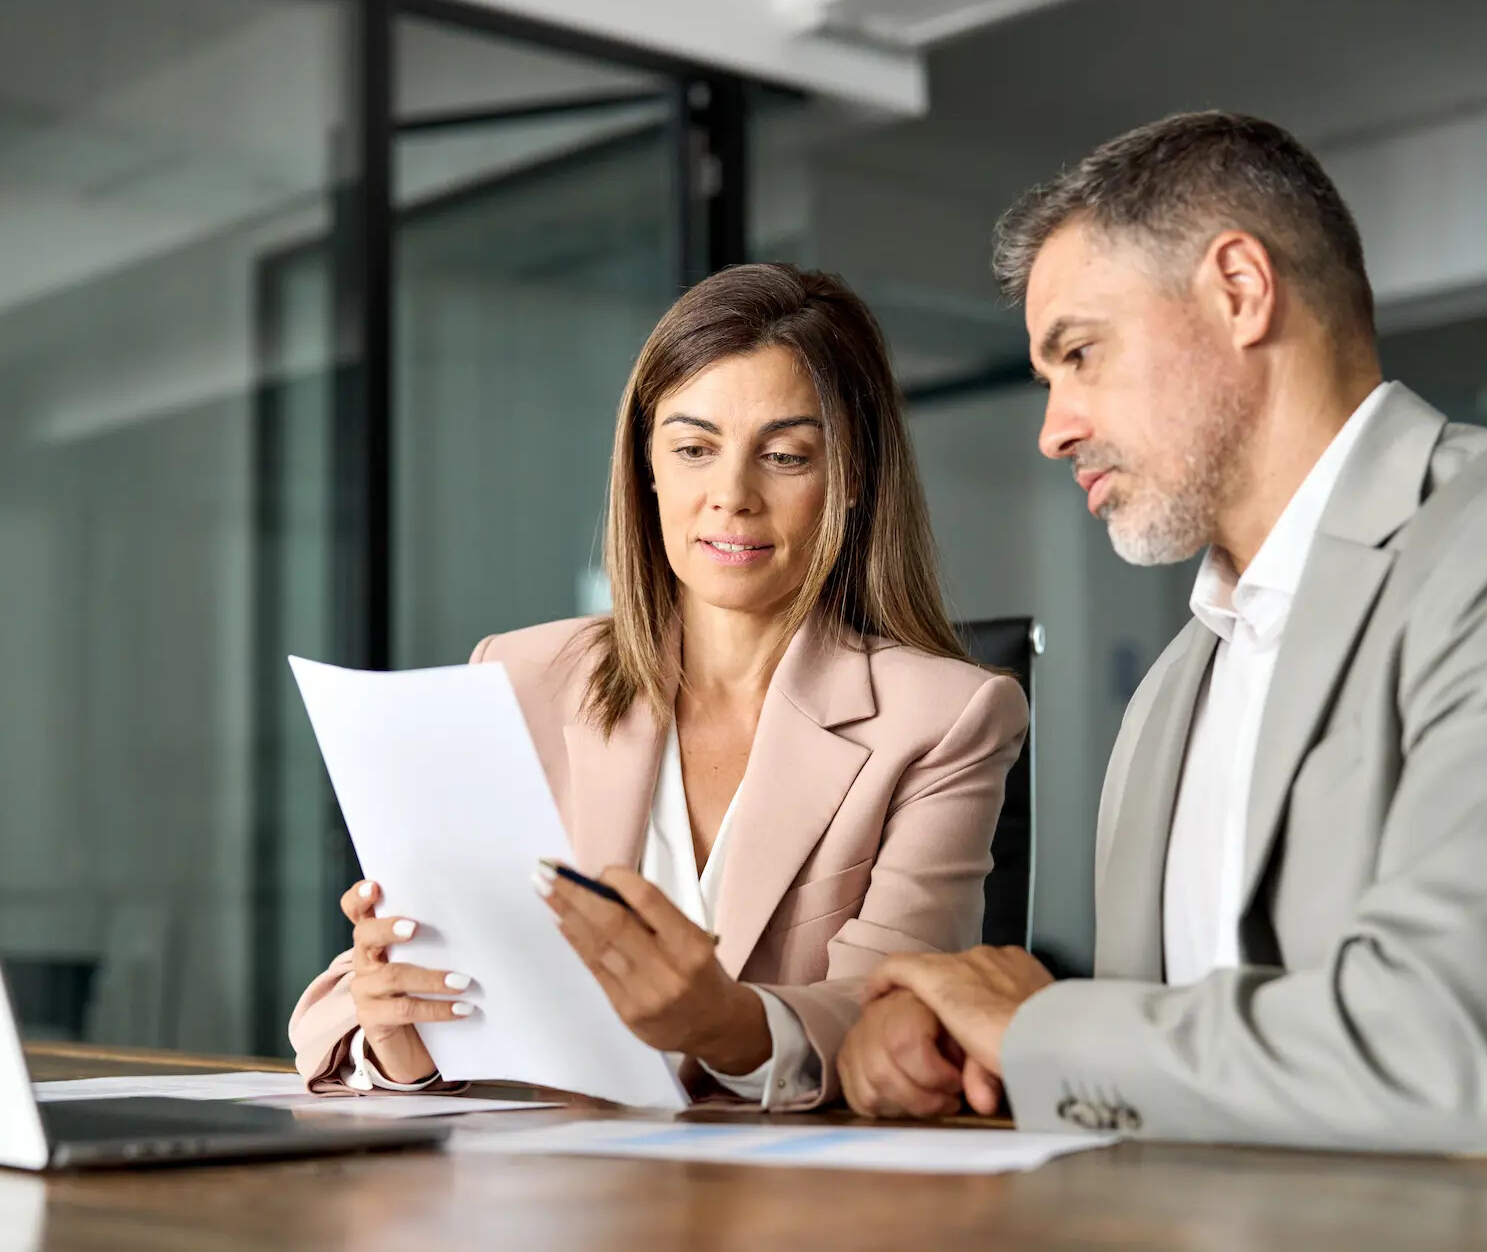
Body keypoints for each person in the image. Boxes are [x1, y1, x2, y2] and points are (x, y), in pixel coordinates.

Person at [837, 111, 1487, 1152]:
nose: (1053, 428)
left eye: (1081, 353)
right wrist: (973, 1056)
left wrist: (1039, 1025)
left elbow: (1457, 1050)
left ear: (1240, 290)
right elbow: (1159, 1077)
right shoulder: (1169, 694)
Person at [290, 263, 1028, 1111]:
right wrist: (398, 1033)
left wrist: (727, 1025)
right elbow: (339, 1013)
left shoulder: (945, 719)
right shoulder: (518, 676)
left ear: (853, 477)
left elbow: (891, 1018)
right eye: (693, 449)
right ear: (647, 466)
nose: (732, 498)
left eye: (785, 456)